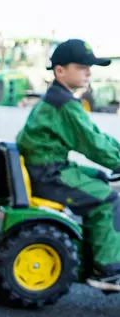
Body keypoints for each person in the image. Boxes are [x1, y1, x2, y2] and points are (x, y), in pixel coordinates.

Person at [17, 38, 120, 281]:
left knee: (100, 179)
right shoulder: (63, 104)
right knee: (109, 198)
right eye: (82, 67)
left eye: (90, 67)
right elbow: (92, 144)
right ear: (60, 70)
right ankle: (107, 268)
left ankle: (95, 251)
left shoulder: (57, 99)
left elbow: (95, 135)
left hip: (46, 169)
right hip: (49, 176)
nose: (89, 72)